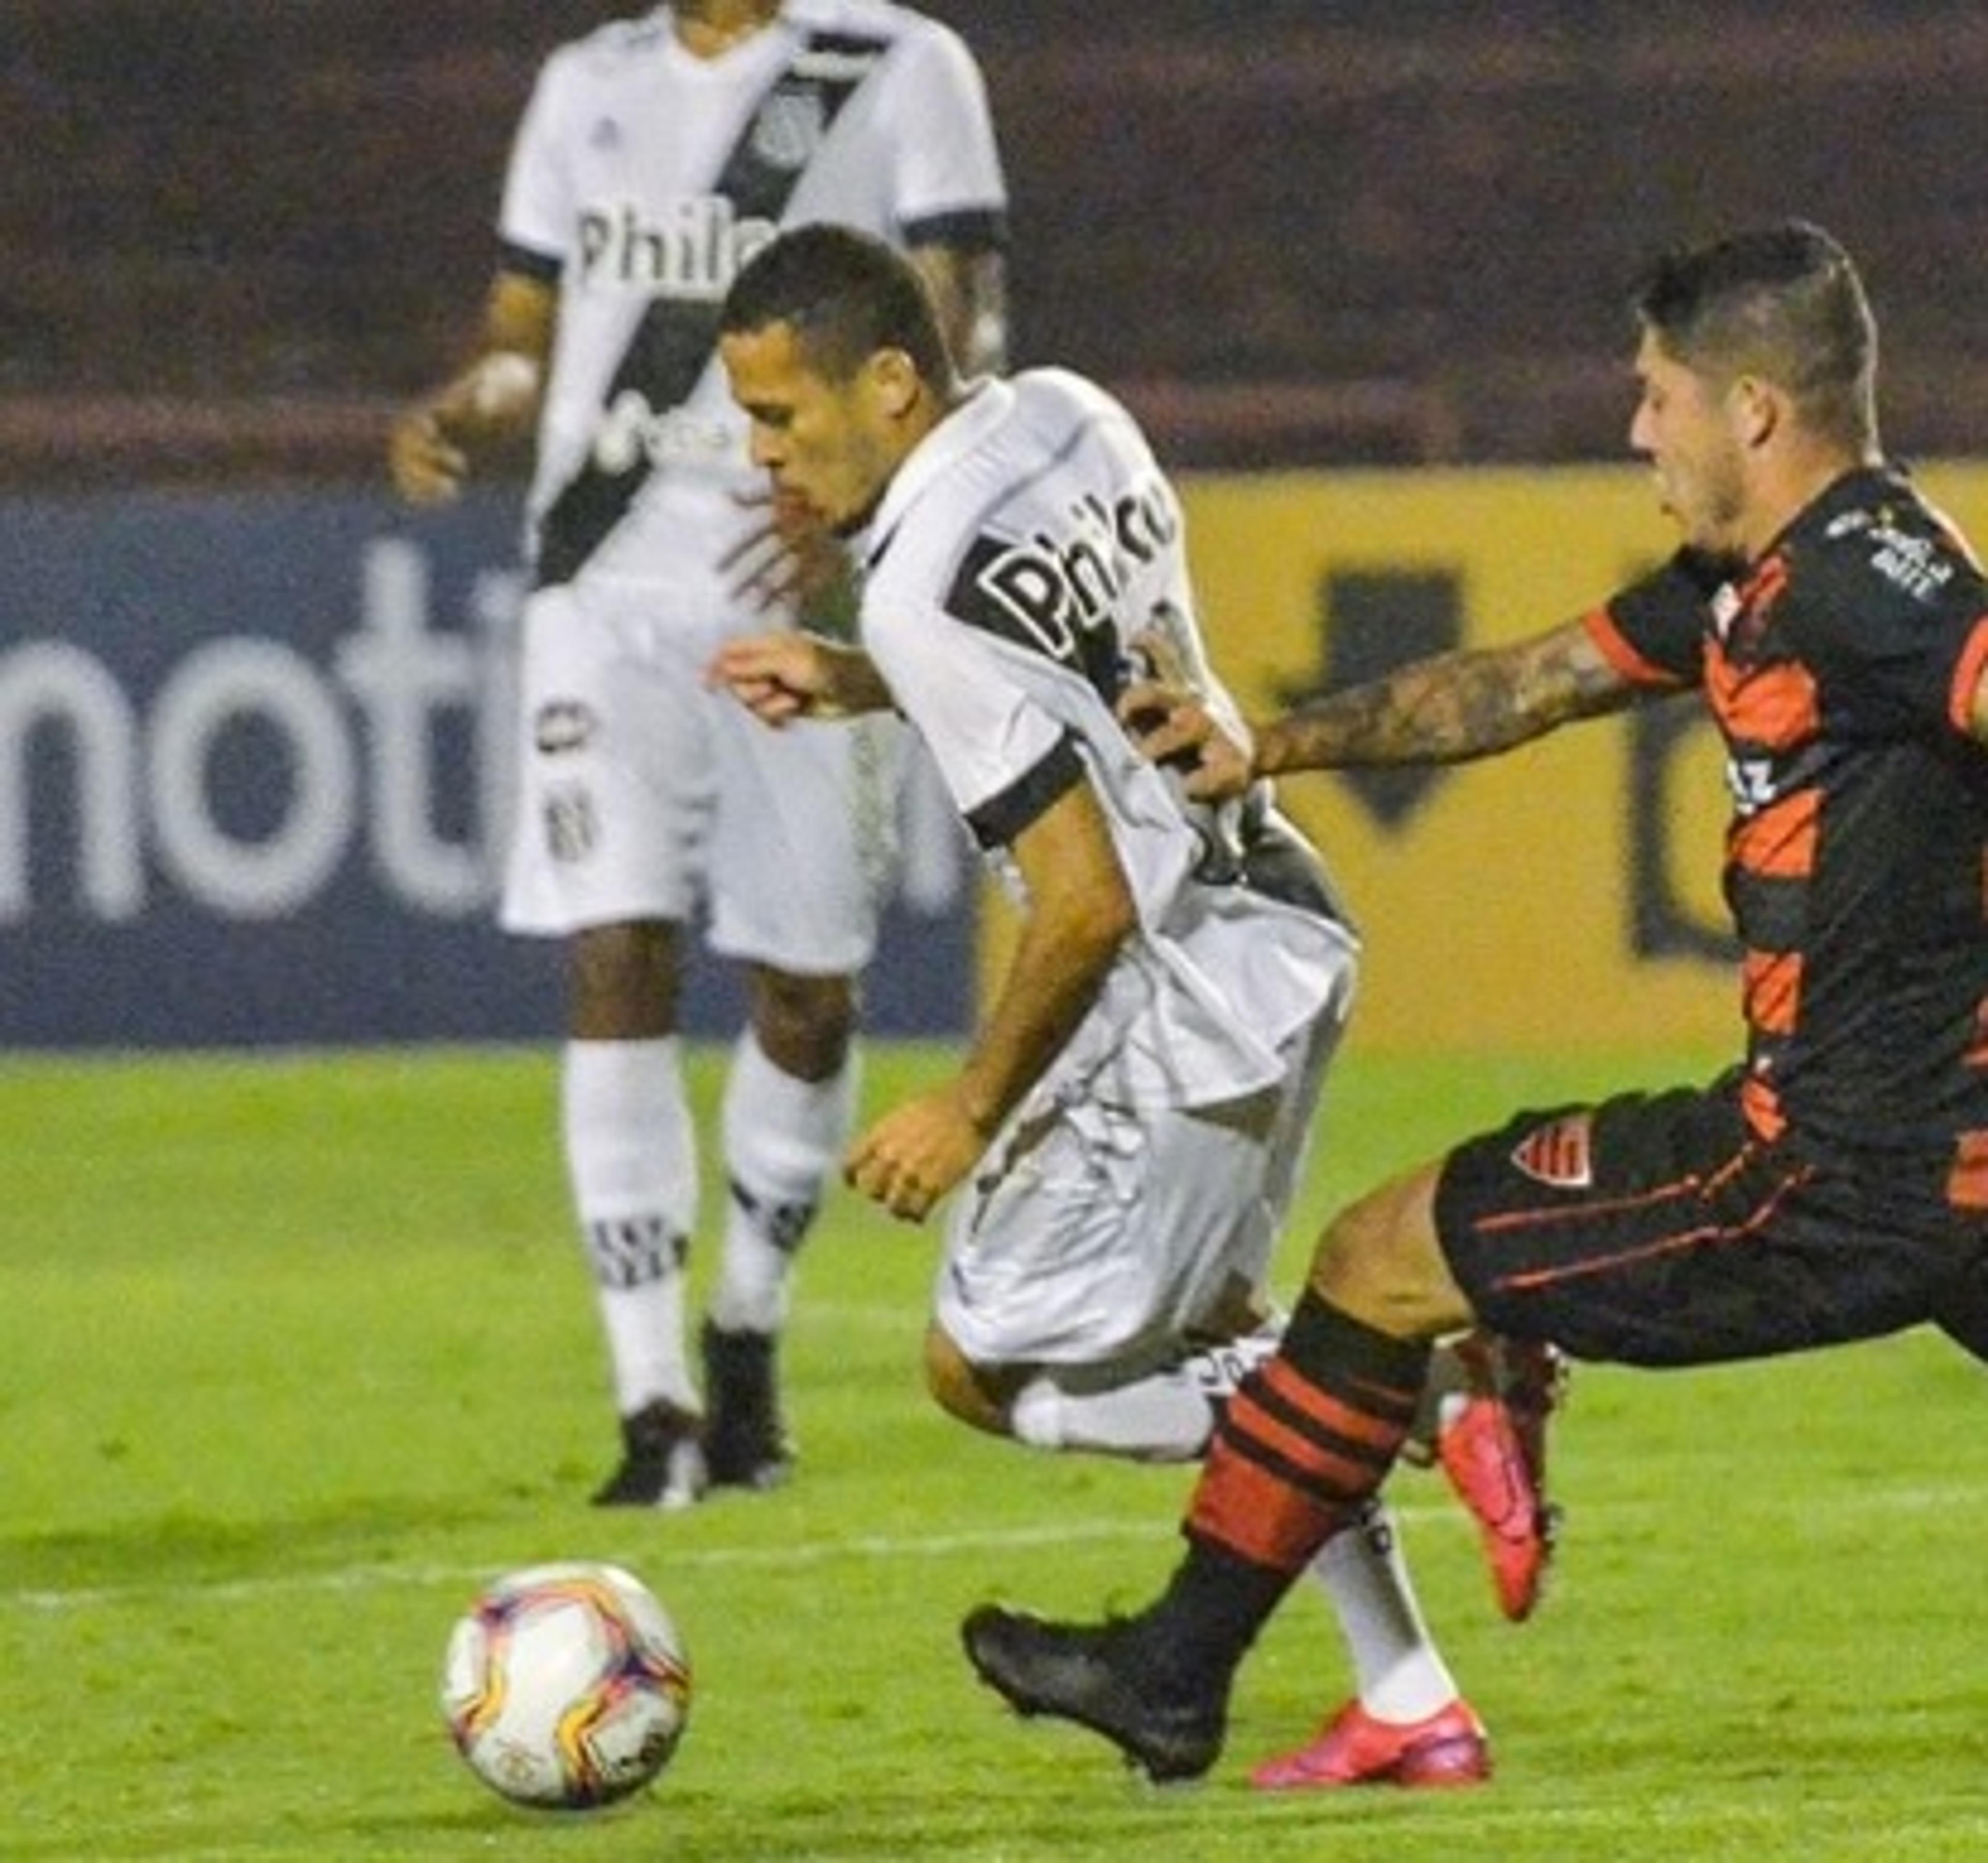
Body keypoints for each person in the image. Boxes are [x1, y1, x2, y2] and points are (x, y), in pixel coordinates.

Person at [958, 219, 1988, 1783]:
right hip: (1946, 1153)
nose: (1638, 428)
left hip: (1827, 1170)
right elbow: (1522, 686)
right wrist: (1266, 744)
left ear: (1755, 412)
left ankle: (1175, 1671)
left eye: (1659, 396)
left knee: (1380, 1263)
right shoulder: (1751, 577)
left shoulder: (1864, 578)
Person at [707, 221, 1557, 1790]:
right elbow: (1071, 663)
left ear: (888, 383)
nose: (762, 455)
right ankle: (1409, 1696)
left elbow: (1084, 898)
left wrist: (966, 1107)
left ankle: (1435, 1390)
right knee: (1228, 1332)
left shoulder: (912, 595)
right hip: (1284, 928)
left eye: (779, 416)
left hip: (1173, 992)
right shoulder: (1067, 413)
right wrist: (860, 679)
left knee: (984, 1366)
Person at [386, 1, 1009, 1508]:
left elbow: (963, 325)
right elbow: (527, 339)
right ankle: (651, 1398)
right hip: (600, 590)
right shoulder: (584, 84)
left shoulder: (896, 67)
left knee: (804, 989)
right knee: (618, 952)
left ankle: (745, 1330)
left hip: (792, 585)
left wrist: (871, 502)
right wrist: (474, 405)